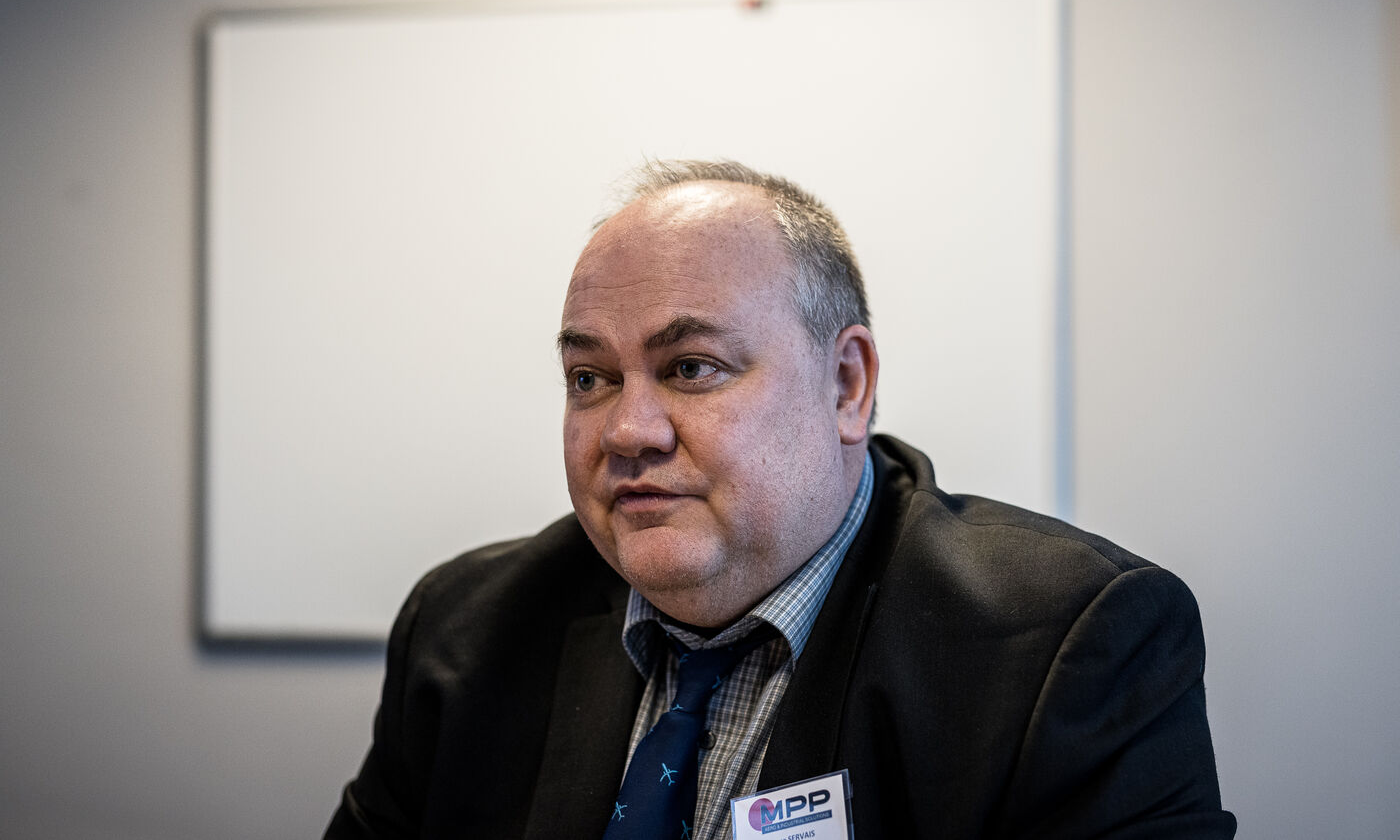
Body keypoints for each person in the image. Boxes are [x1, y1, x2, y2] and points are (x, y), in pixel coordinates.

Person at [324, 160, 1235, 839]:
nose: (627, 431)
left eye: (692, 368)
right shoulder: (466, 631)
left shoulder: (1066, 645)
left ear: (846, 385)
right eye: (589, 379)